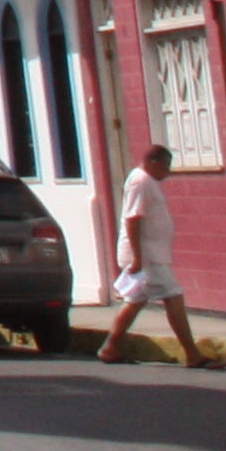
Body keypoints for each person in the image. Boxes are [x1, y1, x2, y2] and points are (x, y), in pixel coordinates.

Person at [94, 145, 212, 367]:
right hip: (148, 257)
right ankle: (192, 353)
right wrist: (138, 257)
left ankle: (110, 346)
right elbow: (133, 219)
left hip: (152, 254)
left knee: (135, 301)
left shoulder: (146, 181)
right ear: (154, 163)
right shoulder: (141, 182)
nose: (168, 172)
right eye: (166, 166)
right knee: (173, 297)